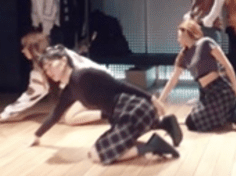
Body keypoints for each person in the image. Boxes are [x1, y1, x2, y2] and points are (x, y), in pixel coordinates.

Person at [29, 46, 182, 164]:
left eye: (50, 65)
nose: (48, 71)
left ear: (63, 60)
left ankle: (153, 146)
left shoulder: (84, 75)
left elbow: (120, 85)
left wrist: (152, 99)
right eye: (46, 69)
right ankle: (164, 123)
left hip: (132, 109)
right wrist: (37, 136)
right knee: (96, 151)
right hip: (121, 114)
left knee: (99, 155)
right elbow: (55, 115)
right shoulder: (69, 91)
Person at [0, 31, 111, 126]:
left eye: (24, 47)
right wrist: (8, 112)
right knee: (67, 113)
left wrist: (8, 112)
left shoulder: (54, 59)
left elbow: (31, 95)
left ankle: (113, 112)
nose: (22, 51)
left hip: (99, 86)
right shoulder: (55, 55)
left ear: (33, 48)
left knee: (70, 118)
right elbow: (31, 94)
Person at [158, 19, 236, 132]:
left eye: (179, 36)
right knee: (191, 122)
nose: (178, 40)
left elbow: (227, 65)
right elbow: (172, 80)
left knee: (195, 122)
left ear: (186, 32)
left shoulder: (206, 43)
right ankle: (234, 111)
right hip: (206, 94)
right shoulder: (183, 56)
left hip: (220, 89)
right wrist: (159, 101)